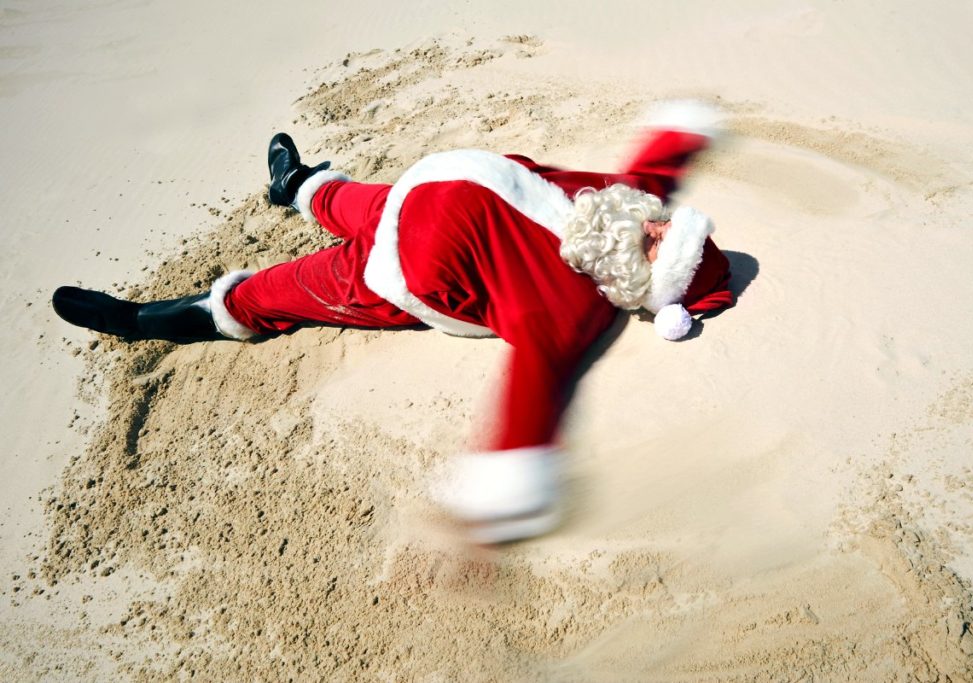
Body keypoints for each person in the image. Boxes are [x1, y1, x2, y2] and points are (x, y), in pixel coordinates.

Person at [52, 101, 734, 543]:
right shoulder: (624, 207)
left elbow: (538, 383)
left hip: (395, 276)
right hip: (410, 195)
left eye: (657, 245)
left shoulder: (571, 307)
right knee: (343, 199)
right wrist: (686, 130)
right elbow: (656, 168)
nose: (652, 224)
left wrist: (504, 489)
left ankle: (146, 319)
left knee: (276, 291)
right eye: (666, 225)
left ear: (639, 286)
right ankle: (296, 186)